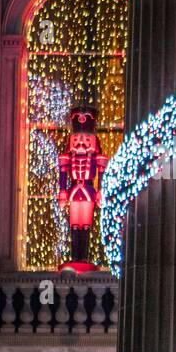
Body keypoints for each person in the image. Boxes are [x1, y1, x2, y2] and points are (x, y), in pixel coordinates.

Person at [56, 106, 107, 274]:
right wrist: (62, 192)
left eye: (85, 138)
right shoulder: (67, 157)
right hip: (74, 191)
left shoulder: (96, 157)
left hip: (87, 190)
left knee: (85, 224)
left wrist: (100, 191)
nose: (81, 141)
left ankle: (83, 256)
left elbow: (101, 173)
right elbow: (63, 174)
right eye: (77, 138)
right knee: (74, 224)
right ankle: (75, 256)